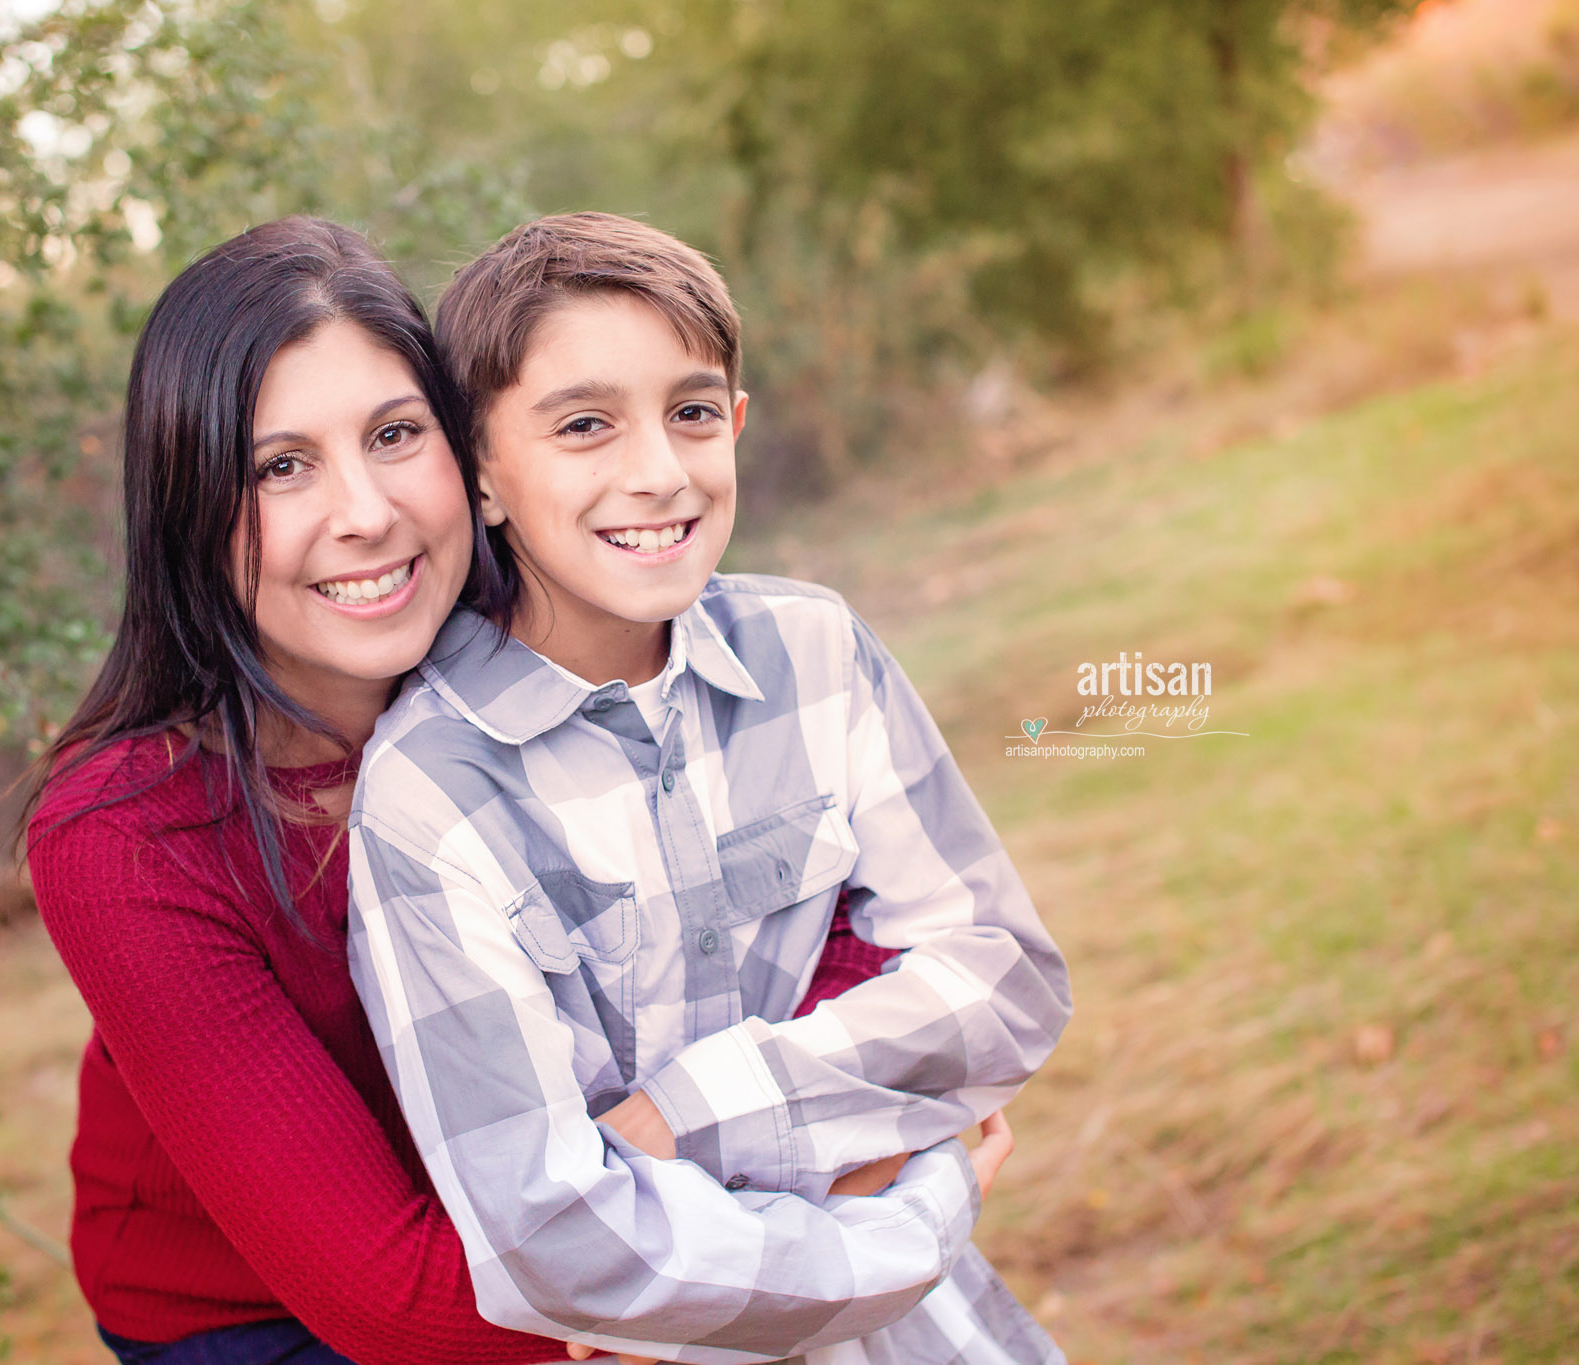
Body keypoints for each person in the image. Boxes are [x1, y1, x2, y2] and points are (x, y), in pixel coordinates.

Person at [25, 216, 919, 1365]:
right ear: (190, 505)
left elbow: (844, 910)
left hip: (612, 1205)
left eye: (395, 435)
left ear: (473, 458)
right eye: (279, 465)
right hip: (289, 1314)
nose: (364, 511)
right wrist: (859, 1208)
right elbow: (394, 1301)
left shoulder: (563, 638)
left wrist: (836, 1112)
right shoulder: (127, 837)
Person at [344, 213, 1075, 1365]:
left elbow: (1002, 980)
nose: (656, 472)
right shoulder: (430, 794)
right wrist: (914, 1213)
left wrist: (692, 1113)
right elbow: (552, 1234)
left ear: (734, 424)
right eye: (583, 425)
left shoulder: (813, 653)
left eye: (690, 413)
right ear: (478, 474)